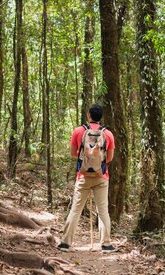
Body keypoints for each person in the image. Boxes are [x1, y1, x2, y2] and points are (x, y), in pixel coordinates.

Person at [58, 104, 116, 253]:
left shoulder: (78, 131)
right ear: (101, 118)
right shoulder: (108, 134)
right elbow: (109, 158)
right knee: (103, 210)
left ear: (89, 115)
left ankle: (65, 243)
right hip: (101, 177)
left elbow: (73, 153)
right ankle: (106, 244)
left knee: (75, 209)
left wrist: (86, 160)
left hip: (82, 176)